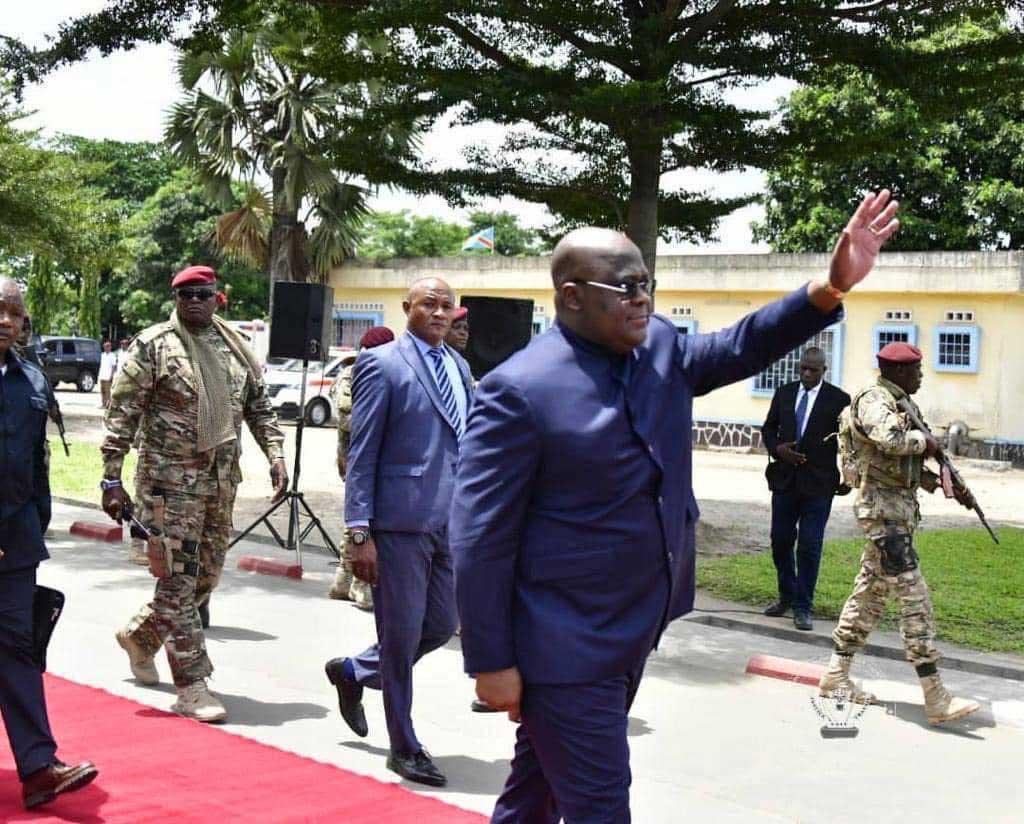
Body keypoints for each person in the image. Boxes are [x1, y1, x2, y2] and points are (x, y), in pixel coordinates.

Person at [450, 191, 900, 822]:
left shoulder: (658, 347)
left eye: (646, 283)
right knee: (600, 805)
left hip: (634, 628)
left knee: (537, 791)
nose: (642, 298)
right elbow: (480, 538)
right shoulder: (517, 392)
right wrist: (491, 660)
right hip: (564, 643)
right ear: (571, 295)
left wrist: (827, 288)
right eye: (624, 286)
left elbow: (741, 344)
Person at [100, 265, 288, 723]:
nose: (195, 302)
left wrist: (276, 453)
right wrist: (111, 476)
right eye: (186, 295)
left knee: (206, 579)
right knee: (179, 583)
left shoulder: (235, 348)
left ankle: (141, 635)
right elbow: (122, 414)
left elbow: (258, 406)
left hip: (220, 485)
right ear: (176, 300)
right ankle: (192, 686)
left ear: (217, 297)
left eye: (203, 294)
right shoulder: (154, 346)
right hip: (168, 487)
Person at [324, 277, 472, 787]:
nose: (438, 312)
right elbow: (362, 452)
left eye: (446, 306)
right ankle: (404, 746)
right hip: (399, 524)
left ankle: (353, 671)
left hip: (450, 524)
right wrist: (359, 531)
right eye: (427, 304)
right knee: (402, 633)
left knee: (439, 625)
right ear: (407, 308)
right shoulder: (382, 364)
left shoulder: (460, 366)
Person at [818, 341, 981, 725]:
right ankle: (935, 694)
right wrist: (928, 443)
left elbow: (899, 467)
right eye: (916, 371)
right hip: (883, 516)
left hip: (895, 512)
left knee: (870, 594)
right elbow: (889, 441)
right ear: (897, 371)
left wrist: (940, 483)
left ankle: (836, 676)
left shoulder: (901, 400)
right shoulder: (876, 400)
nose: (921, 376)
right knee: (914, 597)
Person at [0, 277, 99, 810]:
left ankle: (39, 769)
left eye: (13, 311)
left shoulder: (32, 380)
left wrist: (38, 521)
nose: (4, 320)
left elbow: (35, 463)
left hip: (15, 542)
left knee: (16, 647)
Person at [760, 346, 851, 631]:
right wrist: (778, 450)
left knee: (810, 546)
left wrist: (849, 475)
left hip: (819, 485)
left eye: (813, 369)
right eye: (803, 368)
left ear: (824, 370)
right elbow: (768, 429)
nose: (807, 374)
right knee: (780, 541)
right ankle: (786, 595)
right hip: (785, 480)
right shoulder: (784, 393)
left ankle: (803, 607)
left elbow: (849, 442)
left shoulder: (839, 400)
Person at [327, 325, 396, 609]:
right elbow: (346, 417)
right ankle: (359, 585)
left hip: (378, 459)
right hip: (356, 458)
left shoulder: (387, 372)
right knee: (361, 521)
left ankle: (343, 581)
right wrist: (384, 422)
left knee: (361, 520)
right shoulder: (350, 374)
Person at [98, 341, 118, 408]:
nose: (106, 348)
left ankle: (108, 405)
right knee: (102, 391)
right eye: (105, 347)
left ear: (110, 347)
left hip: (108, 376)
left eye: (107, 347)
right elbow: (101, 365)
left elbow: (114, 366)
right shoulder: (102, 355)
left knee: (107, 392)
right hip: (102, 375)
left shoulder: (112, 355)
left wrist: (111, 376)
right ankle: (103, 403)